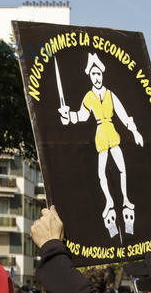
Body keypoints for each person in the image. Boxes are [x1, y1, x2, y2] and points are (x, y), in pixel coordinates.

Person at [58, 52, 144, 237]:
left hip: (112, 133)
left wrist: (134, 131)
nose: (96, 77)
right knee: (102, 173)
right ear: (90, 76)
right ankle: (109, 203)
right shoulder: (89, 97)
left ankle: (126, 201)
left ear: (102, 75)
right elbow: (82, 115)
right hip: (100, 135)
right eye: (93, 74)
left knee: (122, 169)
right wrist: (68, 116)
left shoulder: (110, 95)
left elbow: (123, 114)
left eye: (99, 74)